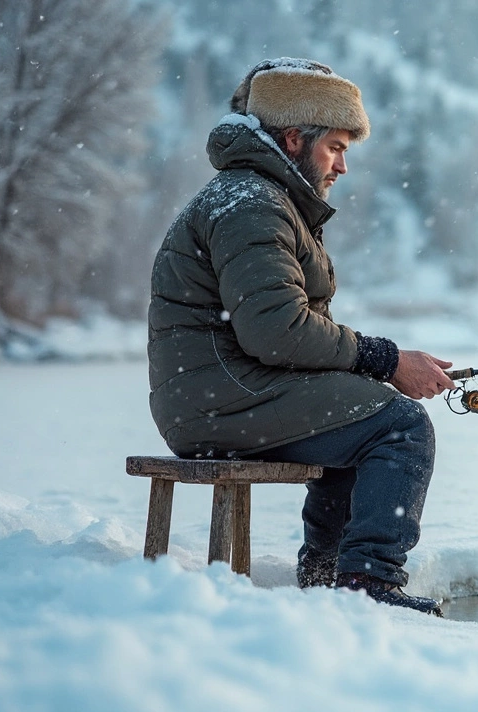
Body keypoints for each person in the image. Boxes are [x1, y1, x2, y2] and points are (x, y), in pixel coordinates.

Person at [146, 58, 454, 616]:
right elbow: (277, 330)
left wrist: (367, 368)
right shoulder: (253, 205)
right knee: (399, 427)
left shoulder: (260, 196)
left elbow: (280, 331)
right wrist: (385, 360)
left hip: (222, 393)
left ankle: (328, 577)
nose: (342, 166)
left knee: (361, 417)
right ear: (294, 138)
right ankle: (368, 588)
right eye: (335, 147)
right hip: (222, 398)